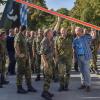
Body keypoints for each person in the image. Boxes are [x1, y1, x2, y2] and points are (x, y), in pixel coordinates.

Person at [14, 26, 37, 94]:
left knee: (28, 72)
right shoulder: (18, 35)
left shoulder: (23, 36)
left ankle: (29, 86)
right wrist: (19, 54)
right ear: (24, 30)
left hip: (26, 58)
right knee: (20, 72)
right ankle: (19, 88)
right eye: (26, 30)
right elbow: (16, 45)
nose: (27, 31)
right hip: (21, 59)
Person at [73, 27, 93, 92]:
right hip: (79, 57)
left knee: (86, 71)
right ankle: (83, 84)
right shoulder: (75, 40)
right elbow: (74, 49)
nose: (76, 32)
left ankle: (88, 85)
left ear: (81, 31)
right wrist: (74, 59)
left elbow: (93, 37)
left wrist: (93, 30)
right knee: (81, 71)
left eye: (77, 31)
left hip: (85, 57)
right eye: (75, 31)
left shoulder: (86, 37)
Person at [40, 29, 54, 100]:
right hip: (46, 62)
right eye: (51, 32)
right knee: (47, 77)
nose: (52, 33)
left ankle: (46, 91)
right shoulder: (44, 41)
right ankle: (44, 93)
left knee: (49, 76)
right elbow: (42, 53)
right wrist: (45, 63)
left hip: (50, 61)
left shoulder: (49, 40)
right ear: (48, 33)